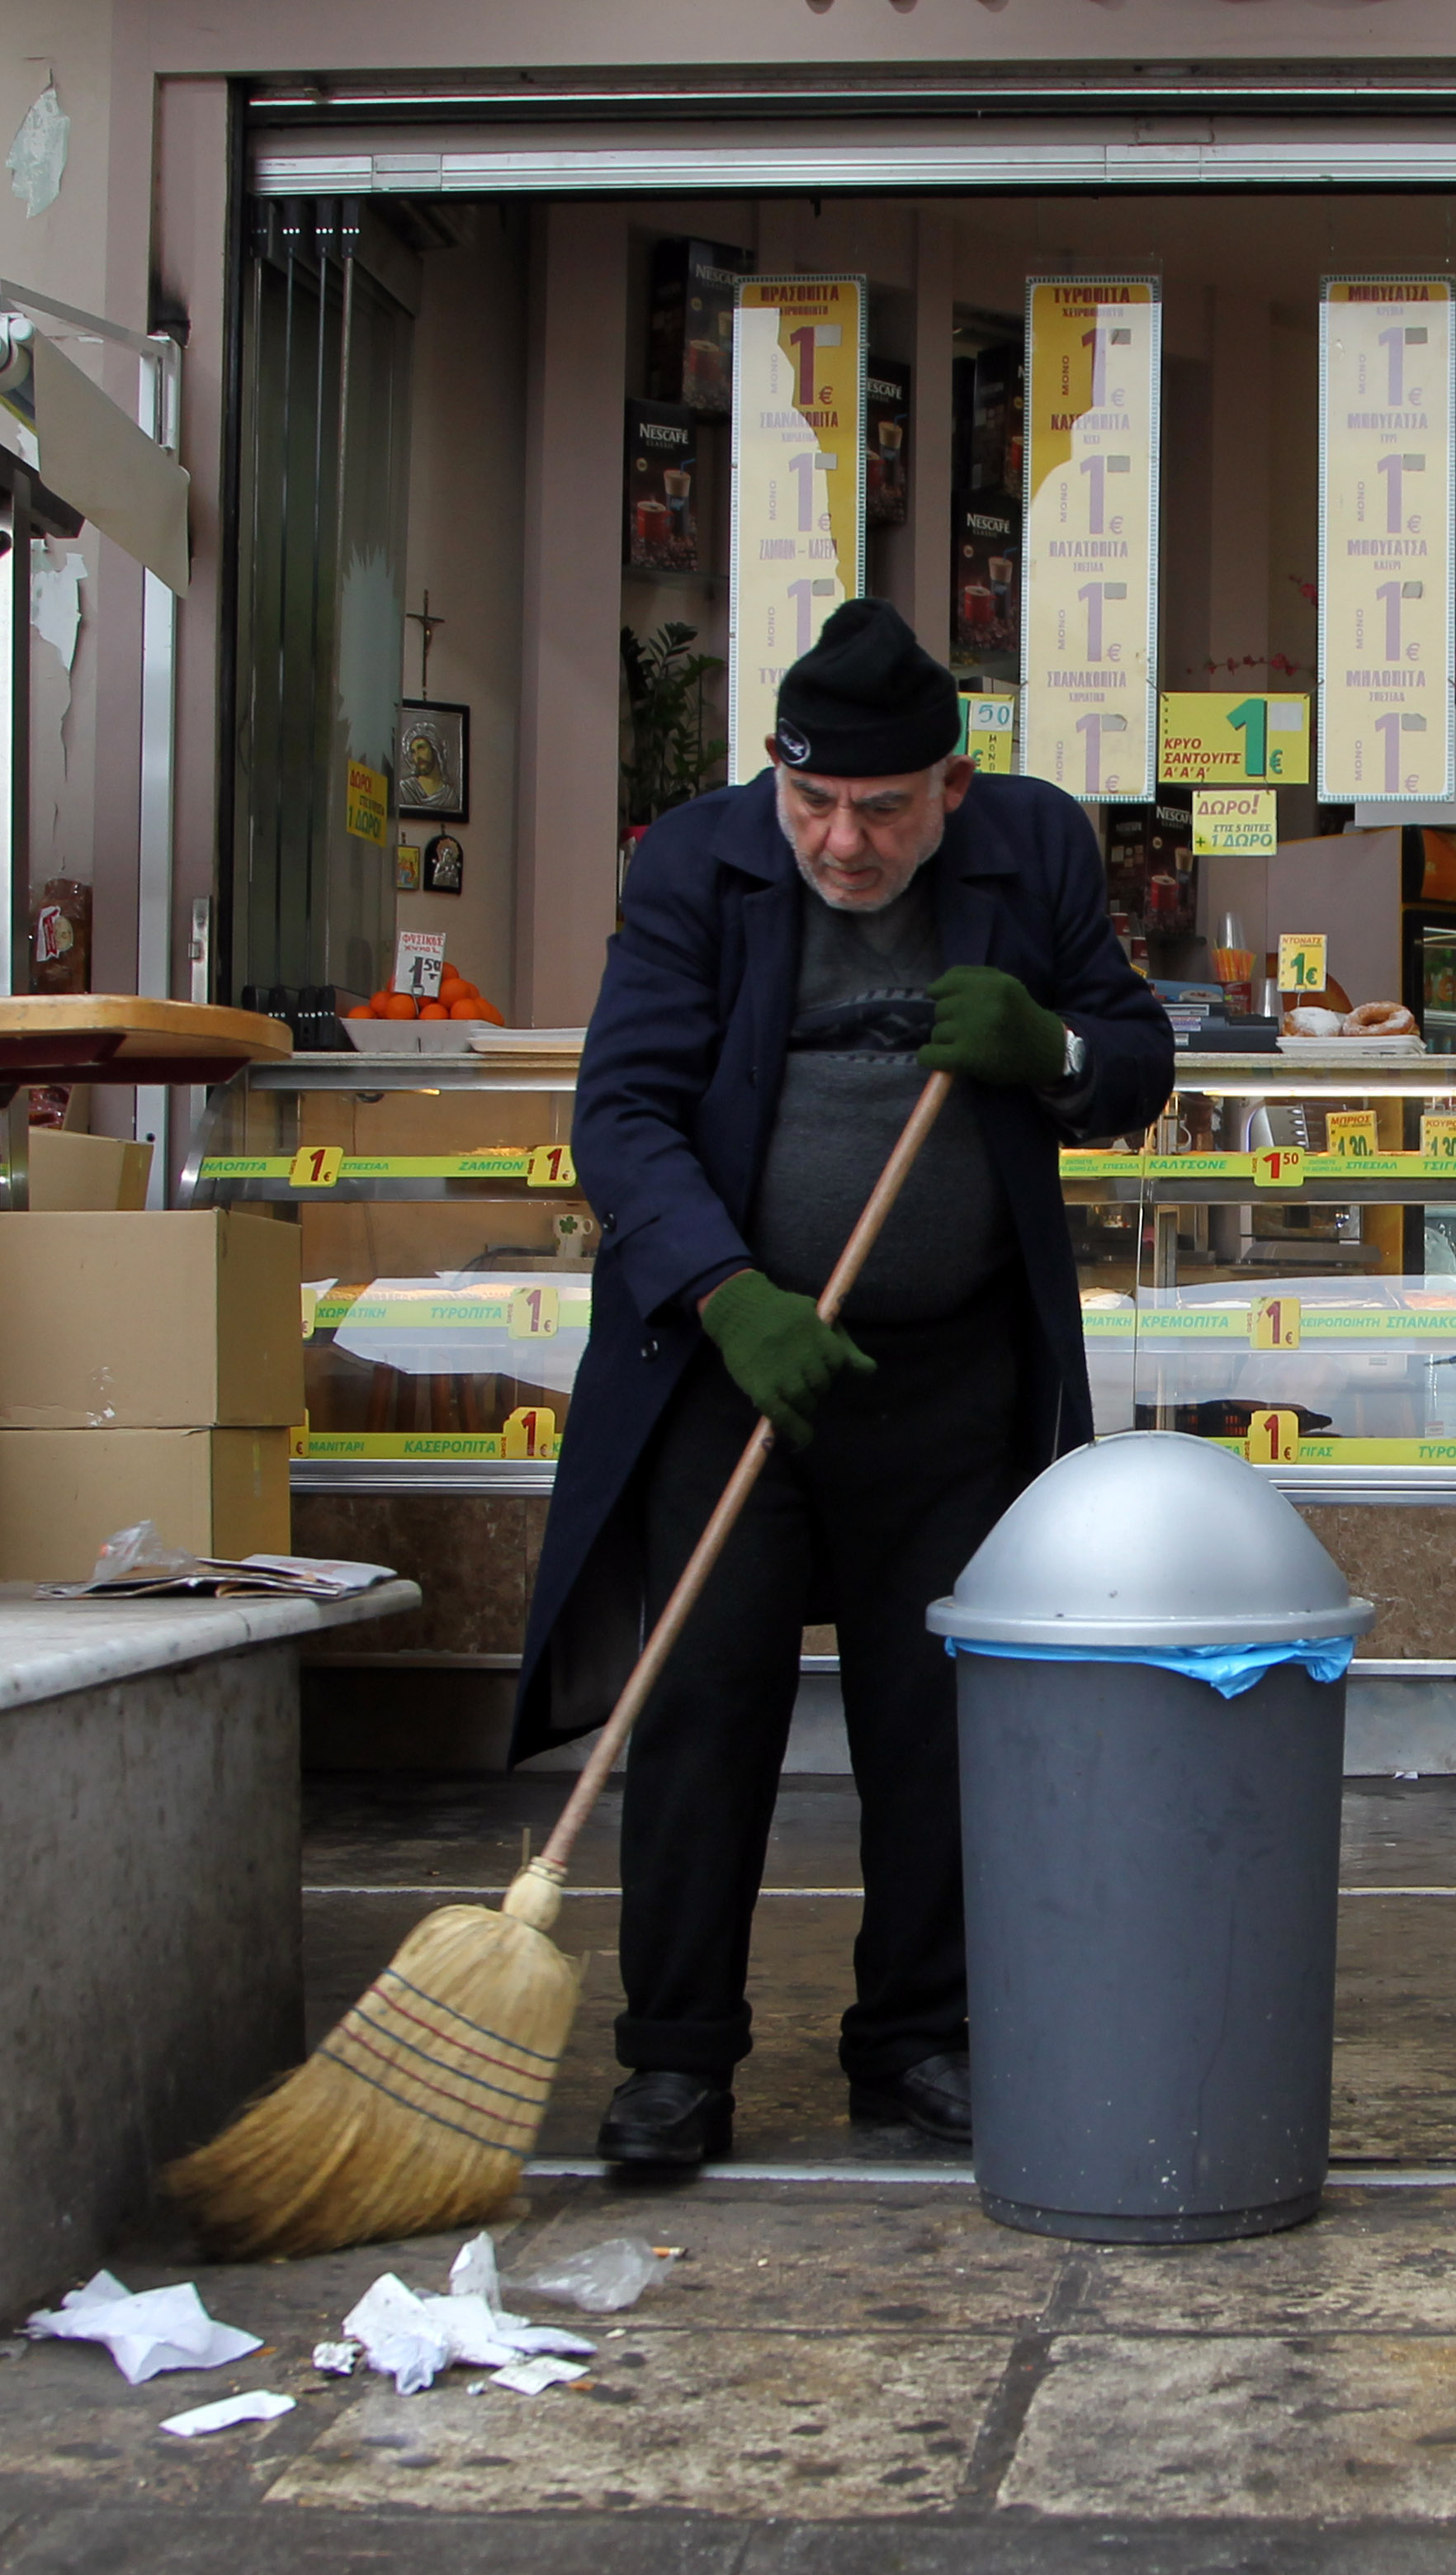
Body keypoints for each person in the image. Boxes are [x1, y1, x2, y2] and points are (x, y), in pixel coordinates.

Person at [509, 599, 1174, 2168]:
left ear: (952, 785)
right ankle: (676, 2058)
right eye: (813, 800)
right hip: (733, 1365)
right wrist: (729, 1295)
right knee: (702, 1708)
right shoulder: (696, 862)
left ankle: (915, 2042)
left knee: (937, 1721)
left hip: (949, 1375)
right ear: (773, 773)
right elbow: (625, 1112)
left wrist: (1051, 1048)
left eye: (882, 807)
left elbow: (1136, 1059)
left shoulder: (1034, 853)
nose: (844, 840)